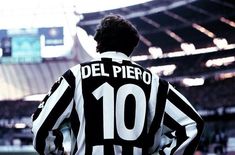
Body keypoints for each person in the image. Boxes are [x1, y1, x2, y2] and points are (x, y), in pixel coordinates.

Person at [31, 14, 204, 155]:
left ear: (98, 43)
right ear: (132, 47)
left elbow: (41, 125)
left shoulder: (76, 76)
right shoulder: (154, 82)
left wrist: (58, 153)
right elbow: (192, 124)